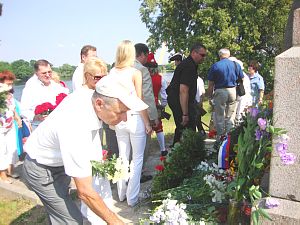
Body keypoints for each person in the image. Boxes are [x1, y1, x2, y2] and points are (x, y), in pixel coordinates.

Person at [22, 74, 148, 225]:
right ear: (100, 104)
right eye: (120, 112)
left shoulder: (92, 96)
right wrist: (116, 222)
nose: (125, 118)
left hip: (58, 162)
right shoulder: (75, 125)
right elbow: (85, 192)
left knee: (60, 214)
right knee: (71, 221)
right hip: (42, 169)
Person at [109, 40, 152, 207]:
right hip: (134, 117)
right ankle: (132, 197)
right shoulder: (135, 72)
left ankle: (121, 193)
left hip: (120, 118)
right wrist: (147, 122)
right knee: (137, 158)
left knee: (122, 155)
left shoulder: (111, 72)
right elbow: (139, 100)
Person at [77, 57, 110, 225]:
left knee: (99, 178)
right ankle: (92, 215)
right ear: (86, 75)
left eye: (104, 76)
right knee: (90, 180)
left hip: (94, 139)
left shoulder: (96, 92)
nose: (101, 80)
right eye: (97, 77)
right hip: (83, 142)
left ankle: (95, 212)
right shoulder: (81, 96)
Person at [166, 42, 207, 147]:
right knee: (188, 129)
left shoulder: (190, 64)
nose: (204, 58)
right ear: (194, 53)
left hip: (178, 100)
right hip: (179, 101)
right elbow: (183, 90)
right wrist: (185, 114)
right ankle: (183, 153)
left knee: (183, 129)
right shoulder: (189, 66)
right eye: (202, 55)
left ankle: (178, 150)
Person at [20, 59, 69, 129]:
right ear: (36, 73)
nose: (47, 75)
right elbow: (24, 111)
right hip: (40, 127)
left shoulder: (55, 85)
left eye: (49, 72)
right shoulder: (30, 87)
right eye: (44, 73)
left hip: (57, 124)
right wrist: (36, 117)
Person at [134, 43, 158, 183]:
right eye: (146, 56)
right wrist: (153, 117)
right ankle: (139, 175)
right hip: (139, 114)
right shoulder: (141, 70)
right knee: (142, 148)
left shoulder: (118, 68)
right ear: (142, 54)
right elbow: (147, 95)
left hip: (121, 115)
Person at [207, 48, 244, 138]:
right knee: (230, 115)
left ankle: (220, 136)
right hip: (232, 90)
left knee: (220, 115)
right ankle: (229, 136)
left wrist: (209, 96)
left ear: (220, 56)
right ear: (229, 55)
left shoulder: (215, 66)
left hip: (220, 91)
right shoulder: (236, 65)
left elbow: (211, 84)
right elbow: (241, 78)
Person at [0, 71, 22, 183]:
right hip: (1, 126)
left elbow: (13, 109)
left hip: (10, 124)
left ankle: (11, 170)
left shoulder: (10, 95)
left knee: (12, 148)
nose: (10, 86)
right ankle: (2, 175)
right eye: (8, 84)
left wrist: (17, 118)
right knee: (1, 149)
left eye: (11, 84)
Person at [146, 52, 169, 156]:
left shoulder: (142, 77)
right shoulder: (161, 79)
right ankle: (163, 149)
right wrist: (163, 105)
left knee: (144, 127)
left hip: (143, 104)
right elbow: (164, 96)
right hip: (155, 104)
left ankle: (145, 150)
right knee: (158, 127)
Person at [228, 57, 252, 123]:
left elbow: (246, 91)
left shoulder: (243, 76)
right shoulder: (240, 75)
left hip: (241, 99)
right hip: (237, 99)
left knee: (239, 116)